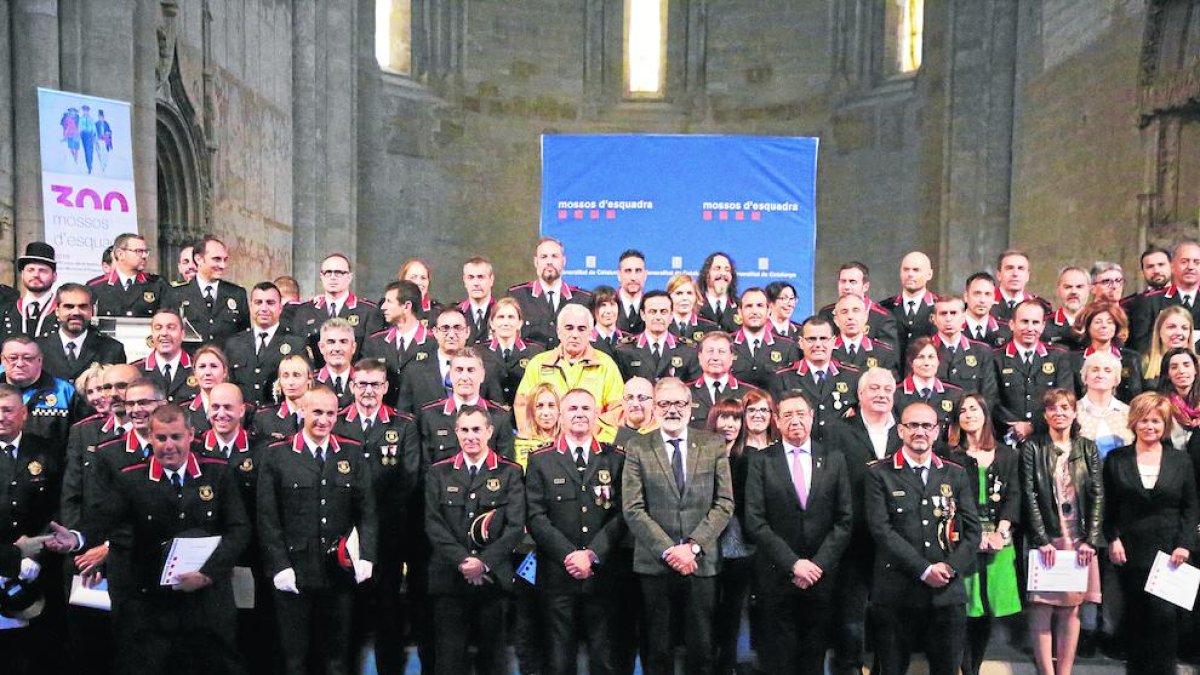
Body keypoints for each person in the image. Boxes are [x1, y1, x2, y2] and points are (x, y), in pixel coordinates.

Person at [69, 404, 250, 675]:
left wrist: (208, 574)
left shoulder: (218, 472)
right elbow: (111, 530)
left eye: (176, 437)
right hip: (150, 605)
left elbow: (239, 529)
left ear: (191, 434)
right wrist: (79, 544)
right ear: (150, 438)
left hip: (206, 601)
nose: (169, 446)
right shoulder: (130, 479)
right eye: (161, 438)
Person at [258, 385, 377, 675]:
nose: (323, 420)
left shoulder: (351, 453)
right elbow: (267, 516)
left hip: (338, 572)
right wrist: (279, 566)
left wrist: (367, 556)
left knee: (336, 658)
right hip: (294, 571)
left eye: (330, 413)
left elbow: (367, 511)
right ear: (301, 412)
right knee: (294, 659)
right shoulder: (277, 455)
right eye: (317, 412)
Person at [622, 377, 734, 675]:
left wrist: (694, 547)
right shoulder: (637, 447)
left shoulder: (712, 444)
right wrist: (671, 551)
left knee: (702, 650)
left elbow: (724, 503)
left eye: (679, 403)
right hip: (655, 565)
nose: (672, 410)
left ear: (690, 406)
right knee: (658, 651)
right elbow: (633, 508)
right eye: (664, 403)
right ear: (654, 409)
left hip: (702, 563)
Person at [864, 400, 980, 675]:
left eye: (926, 426)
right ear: (900, 430)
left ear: (937, 431)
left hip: (946, 594)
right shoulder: (879, 473)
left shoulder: (956, 474)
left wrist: (950, 567)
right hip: (896, 594)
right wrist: (924, 569)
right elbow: (881, 530)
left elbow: (973, 531)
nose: (920, 431)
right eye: (913, 425)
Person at [745, 391, 852, 675]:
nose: (795, 421)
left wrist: (816, 565)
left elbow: (844, 520)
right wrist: (793, 564)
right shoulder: (761, 460)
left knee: (813, 657)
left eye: (801, 414)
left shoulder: (834, 458)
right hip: (776, 575)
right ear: (776, 421)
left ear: (812, 418)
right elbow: (755, 520)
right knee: (778, 660)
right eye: (787, 415)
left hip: (820, 576)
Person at [526, 389, 627, 675]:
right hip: (558, 572)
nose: (580, 413)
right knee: (559, 659)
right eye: (572, 408)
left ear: (596, 415)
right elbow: (535, 516)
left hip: (603, 571)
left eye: (586, 408)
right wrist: (570, 555)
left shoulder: (616, 458)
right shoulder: (541, 460)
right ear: (560, 414)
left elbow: (622, 514)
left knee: (604, 658)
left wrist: (593, 553)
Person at [333, 360, 421, 675]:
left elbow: (408, 478)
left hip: (389, 537)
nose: (368, 391)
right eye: (362, 384)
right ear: (352, 385)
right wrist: (354, 526)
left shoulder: (404, 424)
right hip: (345, 538)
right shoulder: (338, 422)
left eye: (375, 384)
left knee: (388, 616)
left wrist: (372, 523)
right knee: (347, 621)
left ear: (385, 387)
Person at [424, 405, 525, 675]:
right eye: (465, 430)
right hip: (449, 581)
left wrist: (483, 563)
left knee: (493, 661)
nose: (471, 436)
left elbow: (515, 527)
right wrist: (463, 561)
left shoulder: (510, 473)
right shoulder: (438, 472)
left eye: (477, 429)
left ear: (490, 431)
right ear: (456, 432)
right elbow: (433, 524)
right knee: (449, 661)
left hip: (494, 582)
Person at [1104, 392, 1199, 675]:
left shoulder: (1180, 460)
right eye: (1144, 420)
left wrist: (1184, 545)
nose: (1150, 426)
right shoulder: (1116, 459)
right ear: (1134, 423)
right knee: (1137, 616)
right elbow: (1108, 505)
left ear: (1165, 424)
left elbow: (1191, 506)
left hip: (1172, 554)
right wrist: (1113, 538)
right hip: (1130, 552)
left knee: (1165, 619)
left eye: (1156, 421)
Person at [824, 367, 901, 675]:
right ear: (859, 394)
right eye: (874, 388)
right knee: (850, 617)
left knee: (890, 615)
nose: (881, 394)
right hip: (853, 538)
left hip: (896, 541)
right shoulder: (837, 431)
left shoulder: (906, 429)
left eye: (887, 389)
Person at [1022, 388, 1104, 675]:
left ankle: (1065, 672)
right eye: (1053, 408)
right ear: (1045, 414)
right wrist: (1040, 538)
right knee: (1042, 607)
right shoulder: (1033, 447)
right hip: (1047, 537)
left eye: (1065, 407)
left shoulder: (1087, 447)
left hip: (1079, 538)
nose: (1060, 413)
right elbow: (1029, 493)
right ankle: (1046, 672)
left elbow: (1096, 493)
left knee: (1072, 608)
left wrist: (1092, 540)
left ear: (1074, 412)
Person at [946, 394, 1022, 675]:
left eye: (974, 409)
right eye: (962, 411)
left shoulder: (1008, 454)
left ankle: (974, 669)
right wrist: (971, 536)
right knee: (963, 610)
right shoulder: (950, 456)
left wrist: (1002, 532)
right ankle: (962, 668)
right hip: (962, 539)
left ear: (985, 413)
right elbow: (947, 500)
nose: (968, 414)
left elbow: (1015, 496)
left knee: (986, 610)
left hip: (998, 539)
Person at [0, 383, 65, 673]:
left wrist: (34, 553)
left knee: (37, 651)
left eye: (8, 410)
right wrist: (10, 556)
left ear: (24, 413)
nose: (1, 416)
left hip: (40, 564)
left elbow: (57, 505)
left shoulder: (47, 450)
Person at [515, 303, 625, 442]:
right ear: (559, 332)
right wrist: (538, 443)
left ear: (590, 334)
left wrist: (592, 441)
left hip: (593, 448)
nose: (575, 335)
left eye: (581, 329)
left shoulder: (606, 364)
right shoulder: (538, 364)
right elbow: (523, 407)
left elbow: (617, 412)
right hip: (547, 450)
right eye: (569, 328)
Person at [705, 398, 756, 675]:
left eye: (735, 419)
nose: (730, 424)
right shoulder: (699, 457)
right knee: (706, 610)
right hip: (706, 541)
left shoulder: (748, 458)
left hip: (739, 545)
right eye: (724, 417)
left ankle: (728, 665)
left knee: (734, 611)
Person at [993, 300, 1074, 444]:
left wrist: (1033, 426)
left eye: (1035, 322)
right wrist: (1016, 426)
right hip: (1006, 438)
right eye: (1024, 322)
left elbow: (1065, 398)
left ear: (1043, 326)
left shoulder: (1059, 356)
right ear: (1012, 324)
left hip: (1047, 438)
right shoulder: (995, 357)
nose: (1030, 328)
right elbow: (992, 400)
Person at [396, 307, 503, 415]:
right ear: (435, 332)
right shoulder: (414, 371)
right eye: (445, 328)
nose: (451, 335)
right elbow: (404, 417)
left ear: (467, 332)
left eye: (457, 328)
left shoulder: (486, 368)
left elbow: (496, 413)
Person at [417, 348, 516, 464]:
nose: (464, 377)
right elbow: (425, 469)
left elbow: (506, 469)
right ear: (450, 375)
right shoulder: (429, 416)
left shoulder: (499, 417)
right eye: (459, 370)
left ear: (482, 375)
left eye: (471, 370)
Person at [225, 281, 310, 407]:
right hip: (242, 419)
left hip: (278, 419)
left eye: (270, 303)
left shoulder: (296, 344)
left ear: (280, 308)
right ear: (251, 307)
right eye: (258, 303)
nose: (264, 308)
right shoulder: (234, 344)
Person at [769, 315, 861, 433]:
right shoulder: (782, 377)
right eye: (811, 339)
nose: (818, 345)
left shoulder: (853, 376)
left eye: (823, 339)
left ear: (833, 342)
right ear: (801, 342)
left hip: (841, 449)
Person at [292, 253, 383, 361]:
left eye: (339, 273)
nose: (333, 277)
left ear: (350, 277)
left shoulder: (368, 311)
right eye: (328, 272)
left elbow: (370, 355)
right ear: (321, 276)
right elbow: (299, 352)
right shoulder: (305, 311)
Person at [164, 235, 249, 345]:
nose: (222, 265)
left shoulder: (237, 294)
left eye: (225, 260)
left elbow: (244, 338)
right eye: (217, 259)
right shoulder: (176, 294)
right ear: (199, 259)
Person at [507, 237, 592, 348]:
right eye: (544, 257)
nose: (549, 262)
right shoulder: (517, 296)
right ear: (536, 262)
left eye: (554, 256)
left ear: (563, 261)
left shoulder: (583, 299)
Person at [363, 280, 437, 406]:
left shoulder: (433, 343)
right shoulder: (376, 342)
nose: (383, 307)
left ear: (407, 306)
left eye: (389, 302)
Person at [37, 283, 126, 382]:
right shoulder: (38, 348)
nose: (76, 312)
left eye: (83, 307)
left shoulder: (112, 349)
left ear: (92, 311)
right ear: (57, 311)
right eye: (69, 306)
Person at [2, 335, 78, 446]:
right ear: (3, 360)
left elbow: (79, 440)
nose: (20, 364)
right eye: (13, 358)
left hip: (52, 462)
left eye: (28, 358)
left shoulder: (65, 392)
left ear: (40, 360)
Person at [614, 290, 700, 383]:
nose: (658, 317)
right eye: (652, 312)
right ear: (643, 315)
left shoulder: (688, 350)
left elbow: (693, 390)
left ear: (671, 316)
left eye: (663, 312)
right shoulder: (624, 350)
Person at [1130, 241, 1200, 353]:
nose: (1190, 267)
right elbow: (1141, 347)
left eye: (1197, 262)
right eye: (1184, 262)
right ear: (1172, 266)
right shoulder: (1150, 301)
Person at [1072, 301, 1143, 403]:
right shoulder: (1073, 360)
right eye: (1098, 322)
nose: (1104, 326)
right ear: (1087, 326)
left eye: (1110, 322)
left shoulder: (1132, 359)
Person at [930, 295, 998, 400]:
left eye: (953, 313)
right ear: (934, 319)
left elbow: (988, 394)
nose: (948, 319)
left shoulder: (981, 351)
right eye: (943, 314)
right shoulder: (924, 350)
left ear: (963, 317)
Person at [729, 287, 799, 388]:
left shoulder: (787, 347)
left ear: (768, 311)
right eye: (749, 306)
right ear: (739, 312)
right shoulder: (727, 343)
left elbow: (792, 388)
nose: (754, 311)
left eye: (760, 306)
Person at [818, 261, 900, 347]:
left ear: (865, 286)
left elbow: (888, 356)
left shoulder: (883, 317)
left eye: (852, 282)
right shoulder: (826, 313)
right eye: (843, 281)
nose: (846, 287)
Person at [686, 331, 758, 428]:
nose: (715, 357)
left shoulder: (749, 393)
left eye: (721, 352)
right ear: (699, 356)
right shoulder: (686, 392)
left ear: (732, 356)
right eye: (710, 351)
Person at [482, 297, 545, 406]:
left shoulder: (535, 352)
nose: (506, 322)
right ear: (492, 323)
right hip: (490, 417)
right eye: (501, 317)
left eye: (511, 317)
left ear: (520, 323)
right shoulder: (479, 352)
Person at [893, 336, 964, 432]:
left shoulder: (955, 394)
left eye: (931, 357)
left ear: (938, 361)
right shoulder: (896, 394)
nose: (926, 363)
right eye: (920, 357)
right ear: (911, 362)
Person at [90, 233, 169, 317]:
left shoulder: (158, 285)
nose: (144, 256)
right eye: (139, 251)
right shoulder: (96, 287)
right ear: (120, 254)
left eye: (146, 251)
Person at [879, 251, 938, 357]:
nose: (910, 274)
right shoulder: (884, 308)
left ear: (929, 274)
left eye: (916, 270)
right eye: (906, 270)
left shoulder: (940, 307)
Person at [1077, 350, 1134, 458]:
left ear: (1116, 379)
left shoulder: (1129, 413)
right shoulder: (1073, 412)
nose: (1100, 375)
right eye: (1095, 370)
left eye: (1107, 371)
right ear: (1085, 377)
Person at [134, 310, 198, 403]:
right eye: (158, 328)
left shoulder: (198, 368)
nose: (164, 333)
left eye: (171, 328)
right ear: (152, 334)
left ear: (182, 334)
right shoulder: (136, 370)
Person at [249, 354, 312, 448]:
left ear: (309, 380)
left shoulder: (319, 415)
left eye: (296, 375)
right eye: (285, 376)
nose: (291, 382)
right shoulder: (263, 418)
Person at [1, 242, 59, 340]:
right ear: (23, 274)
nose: (36, 275)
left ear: (54, 276)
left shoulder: (63, 311)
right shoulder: (6, 310)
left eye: (42, 270)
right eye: (30, 270)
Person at [832, 293, 899, 376]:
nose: (850, 316)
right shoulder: (827, 351)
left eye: (855, 310)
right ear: (836, 320)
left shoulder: (884, 353)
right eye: (844, 312)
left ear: (865, 317)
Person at [1140, 304, 1194, 391]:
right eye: (1171, 327)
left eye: (1184, 328)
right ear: (1159, 331)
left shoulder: (1198, 364)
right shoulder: (1143, 363)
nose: (1179, 332)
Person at [179, 344, 230, 434]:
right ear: (194, 373)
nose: (207, 372)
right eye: (202, 367)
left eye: (214, 366)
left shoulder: (241, 410)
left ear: (225, 371)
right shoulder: (183, 412)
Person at [1157, 347, 1200, 448]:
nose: (1181, 371)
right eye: (1174, 367)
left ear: (1195, 370)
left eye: (1186, 365)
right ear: (1167, 374)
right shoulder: (1161, 407)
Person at [992, 250, 1050, 323]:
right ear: (999, 275)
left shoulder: (1042, 307)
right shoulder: (984, 303)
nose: (1015, 274)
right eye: (1009, 268)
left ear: (1027, 276)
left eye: (1020, 268)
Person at [313, 317, 359, 409]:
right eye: (331, 342)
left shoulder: (364, 382)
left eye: (343, 342)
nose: (337, 348)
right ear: (321, 347)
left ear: (353, 347)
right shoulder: (310, 383)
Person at [1042, 267, 1091, 349]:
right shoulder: (1043, 325)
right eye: (1068, 287)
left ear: (1089, 289)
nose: (1073, 292)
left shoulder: (1098, 323)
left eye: (1079, 287)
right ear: (1058, 290)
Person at [515, 382, 560, 468]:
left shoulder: (570, 443)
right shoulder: (518, 445)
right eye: (539, 406)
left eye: (551, 406)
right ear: (531, 410)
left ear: (559, 409)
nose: (546, 413)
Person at [665, 273, 719, 343]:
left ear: (696, 297)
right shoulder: (661, 325)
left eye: (689, 293)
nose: (685, 298)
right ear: (668, 298)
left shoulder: (710, 328)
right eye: (679, 293)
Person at [963, 272, 1011, 348]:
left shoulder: (1007, 331)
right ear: (966, 296)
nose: (982, 300)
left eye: (987, 294)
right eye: (977, 294)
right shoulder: (952, 327)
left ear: (994, 298)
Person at [697, 252, 740, 332]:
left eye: (727, 270)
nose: (723, 273)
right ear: (706, 274)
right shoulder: (695, 306)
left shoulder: (740, 306)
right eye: (717, 268)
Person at [459, 256, 497, 344]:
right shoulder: (457, 313)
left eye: (481, 277)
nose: (476, 283)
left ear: (491, 280)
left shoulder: (502, 313)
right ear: (464, 281)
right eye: (471, 277)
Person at [614, 376, 654, 451]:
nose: (635, 404)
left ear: (653, 402)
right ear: (622, 402)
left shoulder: (664, 434)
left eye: (642, 398)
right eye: (629, 398)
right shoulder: (604, 429)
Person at [398, 257, 441, 325]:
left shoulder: (439, 312)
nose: (418, 282)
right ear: (403, 281)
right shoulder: (391, 310)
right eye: (413, 277)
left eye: (423, 278)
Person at [589, 285, 626, 358]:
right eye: (603, 305)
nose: (608, 311)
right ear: (593, 310)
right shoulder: (585, 340)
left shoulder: (629, 340)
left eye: (612, 304)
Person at [616, 249, 647, 334]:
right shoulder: (607, 303)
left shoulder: (653, 306)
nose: (633, 277)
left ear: (645, 275)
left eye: (638, 271)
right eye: (628, 271)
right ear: (619, 275)